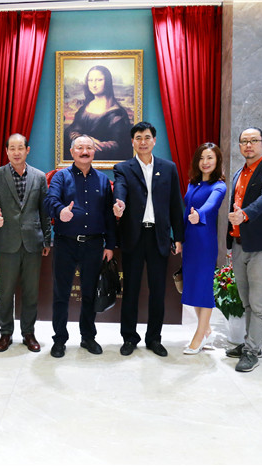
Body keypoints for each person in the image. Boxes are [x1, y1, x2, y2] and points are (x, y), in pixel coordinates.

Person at [113, 121, 184, 358]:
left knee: (158, 291)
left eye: (147, 137)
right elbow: (120, 189)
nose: (143, 142)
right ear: (132, 142)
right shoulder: (123, 168)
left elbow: (175, 204)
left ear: (154, 140)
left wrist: (179, 236)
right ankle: (129, 338)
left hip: (158, 236)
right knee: (131, 291)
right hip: (134, 237)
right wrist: (119, 204)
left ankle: (154, 338)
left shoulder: (168, 168)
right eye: (138, 138)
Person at [44, 135, 116, 358]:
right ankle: (59, 339)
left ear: (94, 151)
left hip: (93, 245)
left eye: (89, 148)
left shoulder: (103, 180)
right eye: (80, 148)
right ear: (72, 152)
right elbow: (49, 201)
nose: (85, 152)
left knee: (89, 294)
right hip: (65, 243)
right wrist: (60, 211)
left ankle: (88, 337)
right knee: (61, 294)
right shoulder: (60, 177)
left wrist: (110, 244)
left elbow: (109, 215)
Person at [0, 133, 51, 353]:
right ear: (6, 151)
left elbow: (44, 210)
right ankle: (5, 333)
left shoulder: (39, 177)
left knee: (31, 291)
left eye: (20, 148)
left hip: (33, 242)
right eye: (12, 148)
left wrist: (47, 239)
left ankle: (28, 333)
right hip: (7, 241)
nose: (16, 152)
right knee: (6, 291)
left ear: (27, 150)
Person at [225, 127, 262, 372]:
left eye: (254, 140)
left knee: (258, 304)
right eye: (244, 141)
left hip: (260, 247)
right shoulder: (238, 173)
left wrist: (245, 215)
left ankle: (252, 352)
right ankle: (252, 343)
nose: (248, 145)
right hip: (239, 244)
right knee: (246, 301)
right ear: (240, 146)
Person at [180, 143, 227, 354]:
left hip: (205, 243)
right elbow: (185, 213)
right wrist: (179, 238)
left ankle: (199, 336)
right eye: (201, 158)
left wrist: (199, 214)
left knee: (204, 287)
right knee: (192, 287)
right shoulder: (193, 184)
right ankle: (206, 330)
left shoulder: (219, 186)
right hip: (190, 242)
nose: (205, 162)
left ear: (217, 161)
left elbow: (211, 204)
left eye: (210, 158)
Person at [64, 65, 131, 162]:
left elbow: (121, 144)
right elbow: (71, 130)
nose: (94, 84)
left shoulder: (118, 113)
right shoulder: (84, 108)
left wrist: (96, 146)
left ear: (107, 81)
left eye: (99, 80)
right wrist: (85, 140)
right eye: (90, 80)